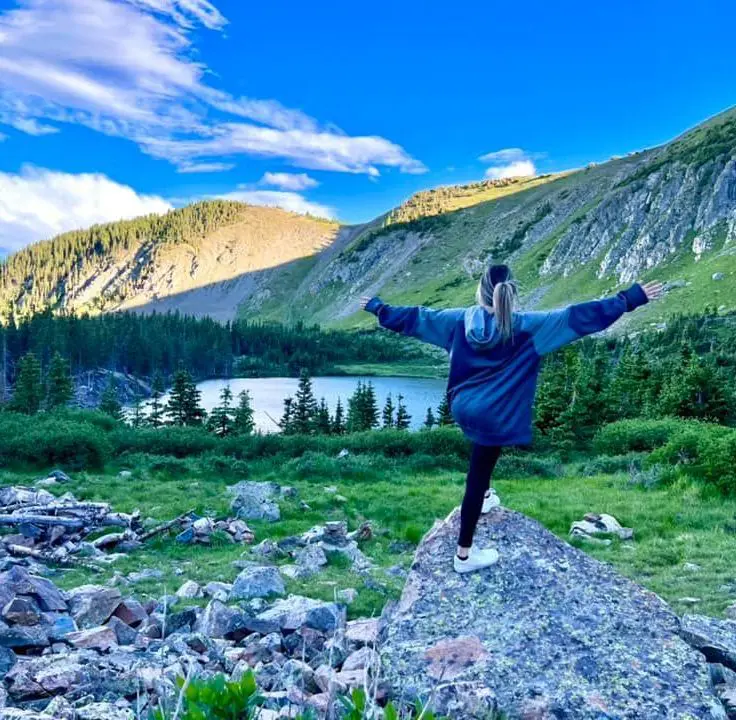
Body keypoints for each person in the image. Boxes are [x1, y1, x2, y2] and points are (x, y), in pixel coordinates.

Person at [361, 264, 663, 574]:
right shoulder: (530, 327)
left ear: (480, 294)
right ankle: (464, 555)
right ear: (512, 295)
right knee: (478, 474)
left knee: (482, 451)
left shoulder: (458, 321)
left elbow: (415, 318)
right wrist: (629, 299)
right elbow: (580, 317)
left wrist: (378, 307)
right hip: (495, 412)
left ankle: (487, 496)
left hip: (464, 406)